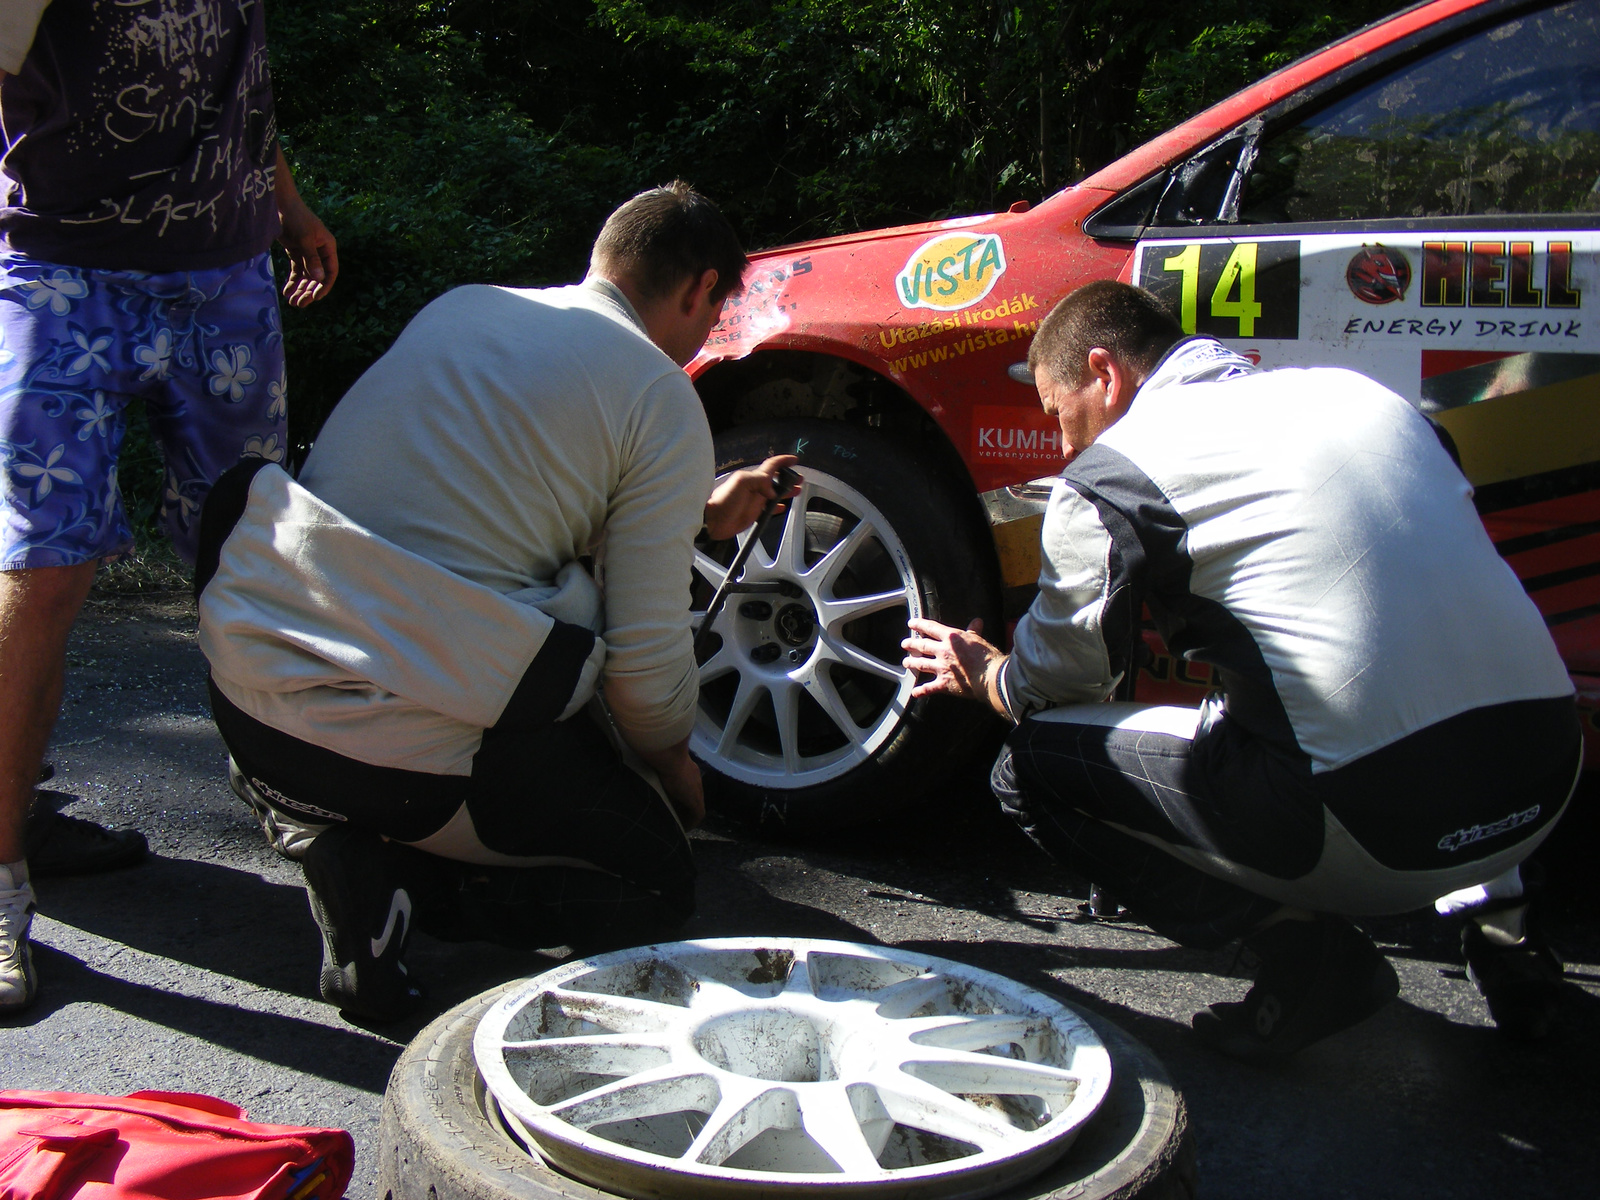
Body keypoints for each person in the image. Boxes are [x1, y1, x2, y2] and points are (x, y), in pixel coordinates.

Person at [903, 280, 1580, 1061]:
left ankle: (1310, 961)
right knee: (1410, 671)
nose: (1061, 447)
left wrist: (987, 674)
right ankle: (1506, 941)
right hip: (1546, 778)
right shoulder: (1358, 394)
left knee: (1030, 767)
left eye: (1060, 414)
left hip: (1377, 829)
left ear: (1105, 373)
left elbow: (1054, 684)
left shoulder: (1116, 474)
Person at [194, 181, 795, 1021]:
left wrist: (699, 506)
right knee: (654, 885)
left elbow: (471, 493)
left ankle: (313, 825)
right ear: (700, 289)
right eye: (712, 314)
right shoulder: (661, 395)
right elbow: (644, 662)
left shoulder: (464, 307)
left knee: (326, 719)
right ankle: (398, 883)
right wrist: (670, 765)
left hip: (258, 693)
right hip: (415, 749)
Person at [0, 0, 338, 1013]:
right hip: (59, 269)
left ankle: (325, 829)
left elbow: (235, 86)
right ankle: (2, 872)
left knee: (249, 558)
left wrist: (287, 206)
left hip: (224, 270)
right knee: (43, 570)